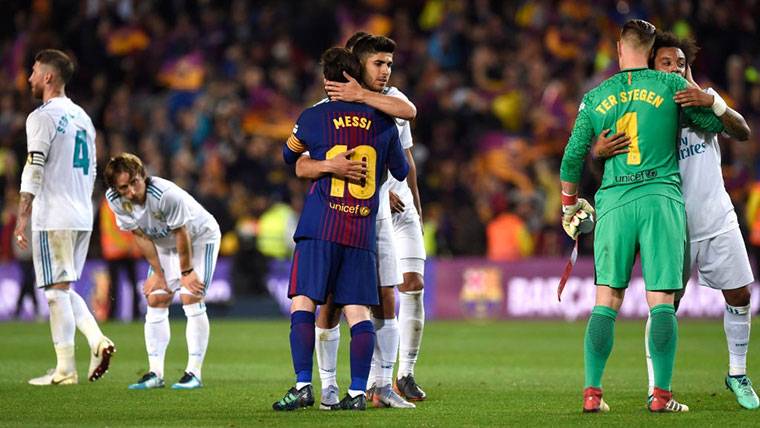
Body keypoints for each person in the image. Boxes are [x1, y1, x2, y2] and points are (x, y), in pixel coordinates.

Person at [559, 20, 725, 413]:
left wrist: (569, 205)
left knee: (606, 300)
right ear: (651, 52)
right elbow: (713, 124)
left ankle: (592, 394)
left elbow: (571, 158)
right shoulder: (671, 85)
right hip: (660, 200)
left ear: (620, 48)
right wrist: (710, 102)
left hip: (615, 203)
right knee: (661, 301)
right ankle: (661, 396)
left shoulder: (595, 96)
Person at [593, 31, 758, 410]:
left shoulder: (702, 102)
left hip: (716, 217)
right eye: (666, 63)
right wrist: (598, 152)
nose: (674, 69)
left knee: (740, 295)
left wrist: (714, 101)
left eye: (680, 64)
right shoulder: (639, 111)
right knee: (666, 305)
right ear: (651, 67)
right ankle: (658, 389)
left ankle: (737, 373)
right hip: (669, 225)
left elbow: (743, 132)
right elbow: (607, 165)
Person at [273, 46, 408, 411]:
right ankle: (357, 393)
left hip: (320, 225)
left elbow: (289, 156)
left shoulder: (313, 117)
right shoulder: (384, 121)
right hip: (360, 229)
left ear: (326, 81)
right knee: (358, 311)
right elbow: (401, 170)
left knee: (305, 302)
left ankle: (304, 386)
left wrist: (325, 164)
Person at [15, 49, 115, 385]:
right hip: (81, 213)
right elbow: (93, 170)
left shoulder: (41, 117)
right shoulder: (83, 117)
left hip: (54, 214)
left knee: (55, 292)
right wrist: (83, 205)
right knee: (63, 286)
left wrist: (22, 215)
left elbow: (34, 166)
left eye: (34, 71)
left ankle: (65, 369)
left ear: (48, 77)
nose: (29, 78)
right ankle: (96, 340)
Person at [103, 153, 220, 390]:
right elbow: (139, 234)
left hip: (199, 238)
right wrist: (158, 273)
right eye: (123, 187)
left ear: (143, 175)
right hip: (164, 244)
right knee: (156, 298)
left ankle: (194, 373)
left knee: (191, 296)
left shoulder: (165, 195)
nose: (131, 192)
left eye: (134, 182)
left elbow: (181, 233)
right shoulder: (114, 200)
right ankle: (155, 373)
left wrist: (187, 272)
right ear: (115, 188)